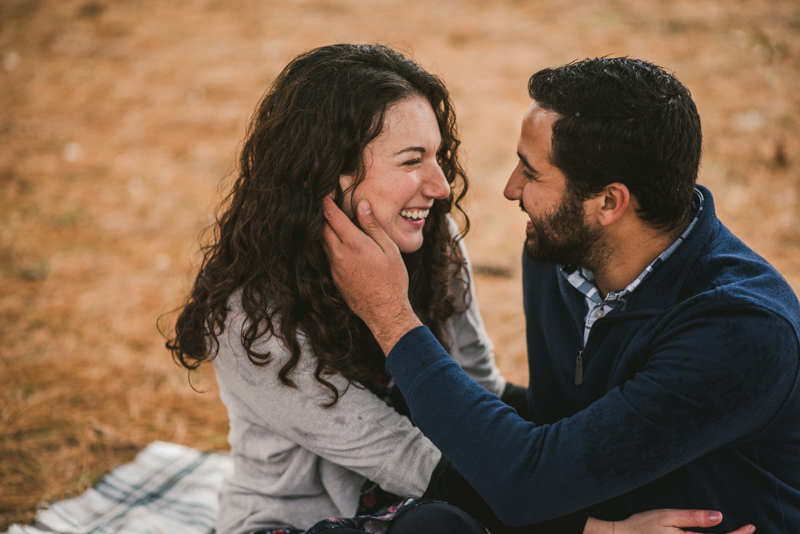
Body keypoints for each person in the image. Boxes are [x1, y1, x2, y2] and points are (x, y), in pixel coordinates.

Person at [167, 45, 753, 534]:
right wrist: (595, 530)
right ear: (332, 173)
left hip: (435, 504)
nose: (441, 185)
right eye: (411, 160)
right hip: (302, 523)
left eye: (439, 156)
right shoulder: (249, 315)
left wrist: (599, 472)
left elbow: (483, 391)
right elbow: (410, 460)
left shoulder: (433, 241)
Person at [323, 57, 800, 534]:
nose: (511, 189)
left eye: (531, 173)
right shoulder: (559, 255)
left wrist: (389, 314)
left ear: (609, 203)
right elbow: (555, 435)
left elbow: (526, 483)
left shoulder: (740, 331)